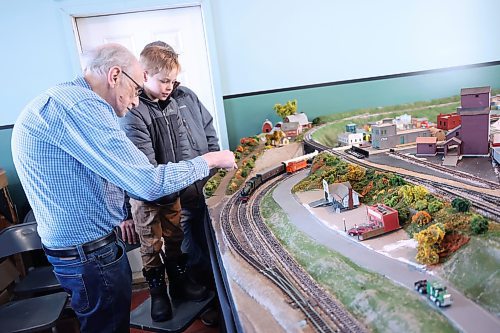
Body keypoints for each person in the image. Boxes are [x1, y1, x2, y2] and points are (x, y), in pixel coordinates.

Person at [11, 43, 236, 333]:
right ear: (115, 75)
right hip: (89, 254)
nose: (133, 102)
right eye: (135, 90)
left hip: (82, 248)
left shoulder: (65, 100)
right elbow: (147, 182)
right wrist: (210, 160)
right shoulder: (82, 107)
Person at [119, 45, 207, 322]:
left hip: (172, 191)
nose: (170, 87)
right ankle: (158, 293)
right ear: (145, 76)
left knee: (175, 238)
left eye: (173, 81)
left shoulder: (171, 106)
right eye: (164, 81)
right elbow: (143, 166)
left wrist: (182, 178)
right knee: (150, 244)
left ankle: (180, 284)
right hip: (146, 196)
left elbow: (182, 148)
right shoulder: (134, 111)